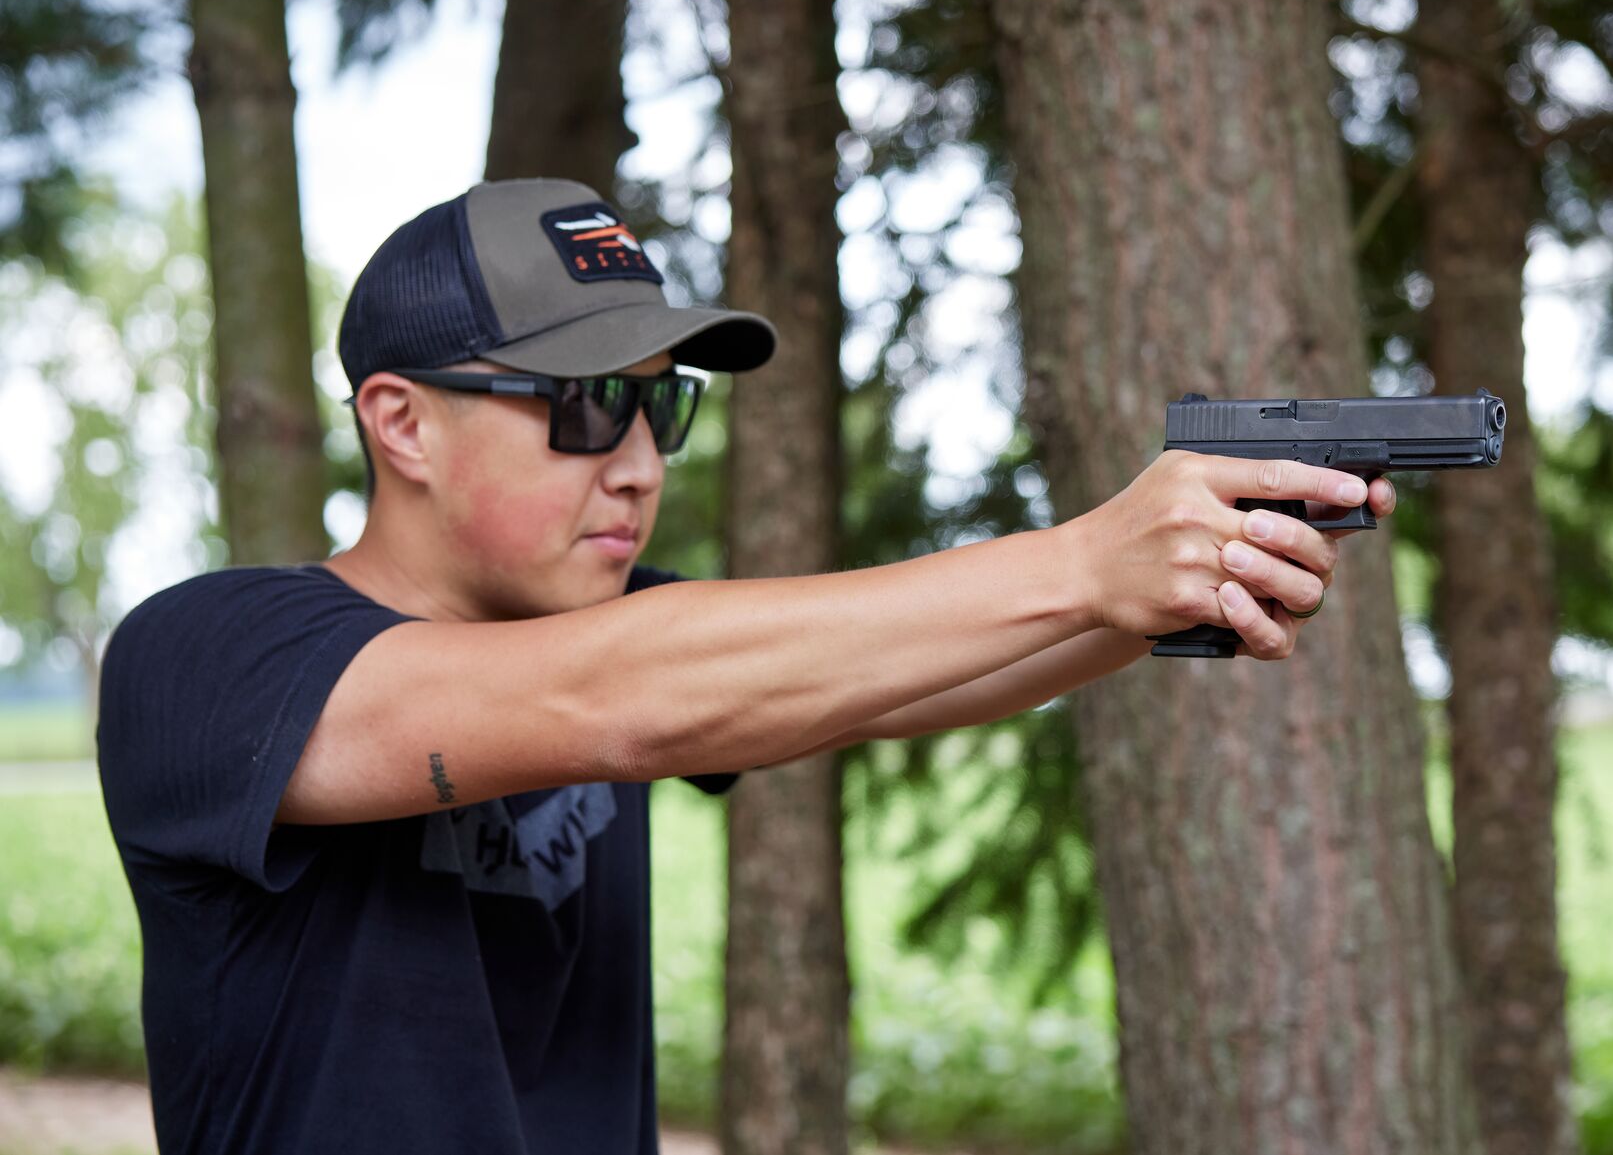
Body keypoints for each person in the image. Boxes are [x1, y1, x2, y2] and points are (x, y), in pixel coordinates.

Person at [95, 177, 1396, 1155]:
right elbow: (613, 700)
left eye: (662, 404)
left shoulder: (636, 642)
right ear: (401, 422)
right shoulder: (210, 660)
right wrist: (1083, 560)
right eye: (587, 402)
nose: (642, 461)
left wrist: (1174, 579)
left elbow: (894, 676)